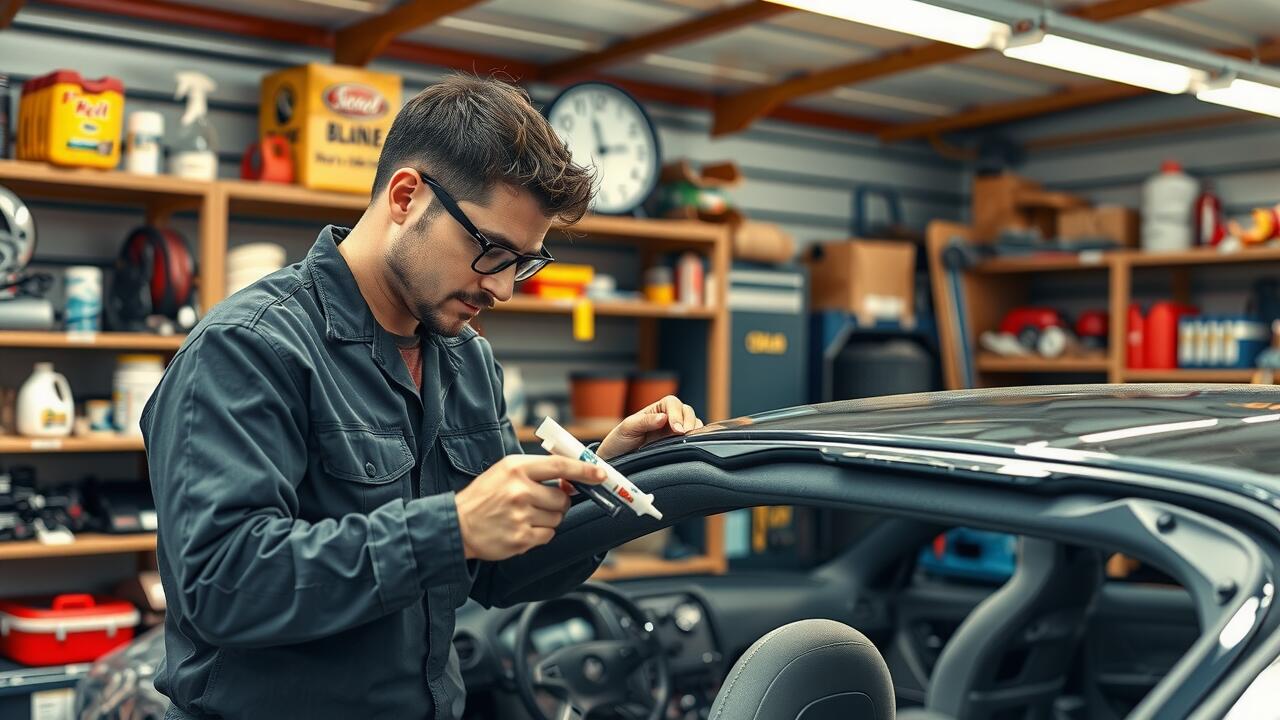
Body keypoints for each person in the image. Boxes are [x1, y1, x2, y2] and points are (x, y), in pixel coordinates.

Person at [142, 74, 703, 720]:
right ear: (406, 196)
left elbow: (496, 571)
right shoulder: (249, 349)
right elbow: (222, 584)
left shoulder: (466, 360)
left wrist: (609, 478)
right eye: (491, 250)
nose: (504, 290)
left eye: (523, 262)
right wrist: (450, 527)